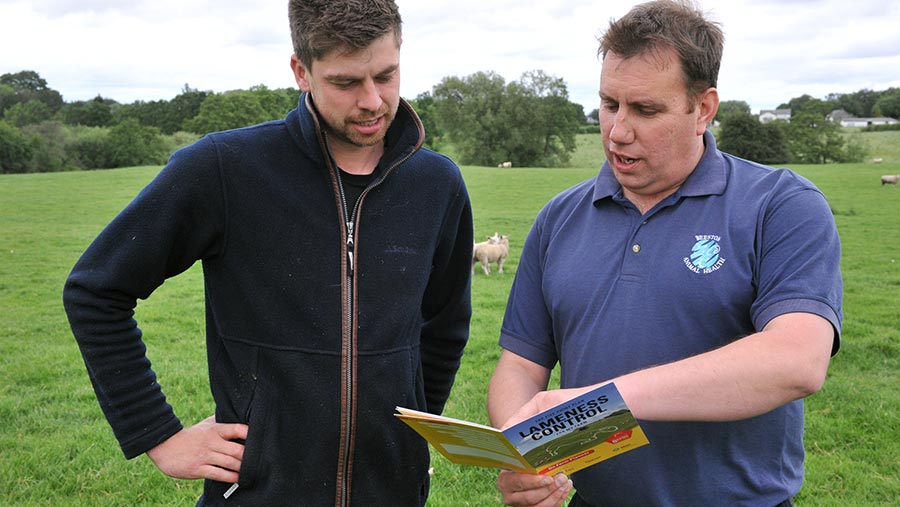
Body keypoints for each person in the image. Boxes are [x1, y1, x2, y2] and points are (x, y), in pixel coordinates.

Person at [62, 1, 473, 505]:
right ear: (301, 71)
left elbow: (446, 325)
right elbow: (96, 290)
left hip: (393, 491)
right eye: (346, 83)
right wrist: (156, 434)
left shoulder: (437, 184)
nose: (373, 101)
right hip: (259, 490)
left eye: (386, 75)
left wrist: (408, 435)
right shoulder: (224, 169)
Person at [486, 1, 842, 506]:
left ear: (703, 108)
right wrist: (523, 455)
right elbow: (521, 365)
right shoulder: (559, 217)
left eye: (645, 110)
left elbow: (797, 359)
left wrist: (601, 408)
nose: (617, 131)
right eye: (609, 104)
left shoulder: (781, 205)